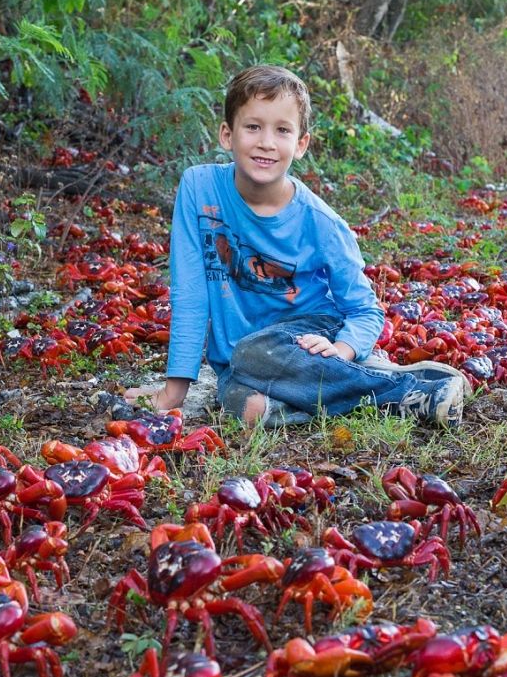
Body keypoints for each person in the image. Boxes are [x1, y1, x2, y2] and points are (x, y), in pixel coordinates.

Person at [123, 64, 469, 427]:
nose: (266, 142)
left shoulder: (319, 221)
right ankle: (354, 381)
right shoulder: (199, 188)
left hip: (311, 333)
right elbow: (191, 291)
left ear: (301, 144)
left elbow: (366, 311)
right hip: (242, 364)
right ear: (227, 134)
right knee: (249, 409)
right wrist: (173, 391)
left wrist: (342, 348)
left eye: (282, 130)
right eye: (253, 126)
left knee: (253, 352)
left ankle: (409, 389)